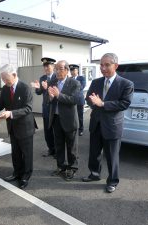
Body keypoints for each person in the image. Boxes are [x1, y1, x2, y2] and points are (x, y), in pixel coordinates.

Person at [82, 53, 133, 193]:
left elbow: (124, 103)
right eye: (101, 65)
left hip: (112, 125)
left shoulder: (126, 84)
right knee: (94, 152)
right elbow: (88, 98)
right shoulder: (96, 82)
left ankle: (112, 181)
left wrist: (103, 104)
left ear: (115, 66)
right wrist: (93, 103)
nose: (103, 68)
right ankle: (94, 174)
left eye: (106, 65)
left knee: (111, 156)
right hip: (96, 123)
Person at [0, 64, 37, 189]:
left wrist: (11, 113)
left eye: (6, 79)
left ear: (14, 75)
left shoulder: (25, 88)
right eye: (2, 79)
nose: (4, 81)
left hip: (25, 127)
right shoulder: (5, 88)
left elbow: (28, 108)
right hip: (12, 126)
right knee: (15, 152)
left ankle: (26, 175)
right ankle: (17, 172)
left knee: (26, 154)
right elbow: (1, 103)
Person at [48, 60, 80, 181]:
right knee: (59, 145)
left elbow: (74, 100)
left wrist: (58, 95)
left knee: (72, 146)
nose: (57, 71)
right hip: (56, 118)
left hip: (69, 119)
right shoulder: (53, 81)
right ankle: (61, 166)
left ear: (66, 70)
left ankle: (72, 168)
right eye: (56, 69)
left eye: (60, 68)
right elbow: (48, 99)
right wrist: (50, 98)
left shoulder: (74, 83)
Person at [33, 57, 56, 157]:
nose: (46, 68)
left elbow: (55, 92)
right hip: (46, 109)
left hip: (55, 109)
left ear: (53, 66)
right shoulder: (43, 78)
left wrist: (47, 88)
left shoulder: (57, 77)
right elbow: (39, 92)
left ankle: (57, 151)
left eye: (48, 66)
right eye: (45, 66)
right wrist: (37, 88)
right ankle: (51, 149)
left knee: (56, 131)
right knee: (47, 131)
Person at [69, 64, 86, 136]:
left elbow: (81, 87)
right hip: (71, 100)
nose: (72, 72)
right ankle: (73, 128)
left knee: (80, 116)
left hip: (79, 100)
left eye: (74, 70)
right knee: (72, 116)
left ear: (77, 70)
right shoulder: (69, 79)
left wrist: (72, 89)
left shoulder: (81, 78)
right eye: (71, 70)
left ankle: (81, 129)